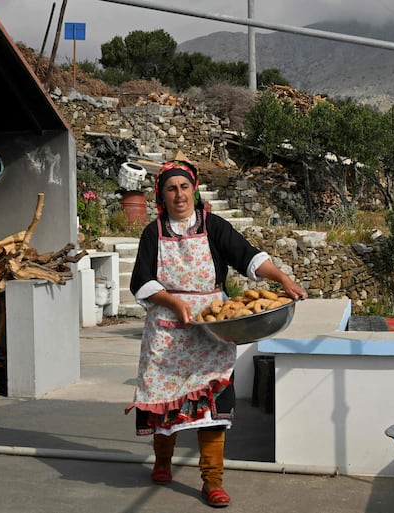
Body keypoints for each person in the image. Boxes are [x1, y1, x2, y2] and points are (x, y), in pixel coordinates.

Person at [125, 159, 307, 508]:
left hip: (213, 330)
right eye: (171, 189)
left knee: (213, 405)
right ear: (161, 196)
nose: (179, 194)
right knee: (165, 401)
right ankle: (162, 461)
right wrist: (174, 303)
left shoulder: (214, 226)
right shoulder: (154, 232)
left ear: (194, 190)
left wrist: (282, 278)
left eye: (184, 187)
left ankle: (213, 481)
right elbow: (142, 281)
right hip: (168, 334)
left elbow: (248, 257)